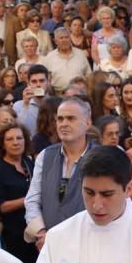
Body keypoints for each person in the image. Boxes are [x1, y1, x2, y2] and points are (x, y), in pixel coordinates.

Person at [24, 98, 95, 247]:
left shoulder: (101, 157)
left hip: (90, 244)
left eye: (71, 119)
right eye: (60, 119)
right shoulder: (45, 156)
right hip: (50, 245)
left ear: (88, 123)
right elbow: (32, 200)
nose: (64, 124)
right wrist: (41, 233)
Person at [0, 121, 38, 263]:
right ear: (2, 144)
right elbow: (0, 207)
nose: (15, 142)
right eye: (10, 139)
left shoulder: (30, 163)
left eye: (19, 138)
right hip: (13, 237)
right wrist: (29, 200)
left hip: (35, 233)